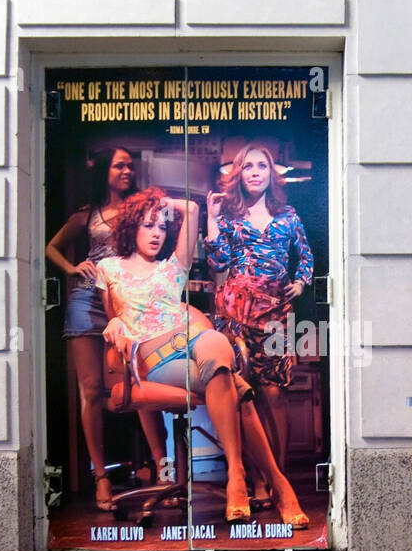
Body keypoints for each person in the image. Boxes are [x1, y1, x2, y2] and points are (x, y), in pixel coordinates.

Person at [97, 187, 309, 528]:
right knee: (238, 390)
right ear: (131, 227)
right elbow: (113, 315)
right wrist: (115, 321)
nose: (156, 233)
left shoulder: (172, 267)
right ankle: (272, 483)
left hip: (194, 340)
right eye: (147, 224)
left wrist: (157, 203)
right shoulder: (108, 268)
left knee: (211, 339)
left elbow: (193, 209)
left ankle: (238, 475)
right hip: (157, 356)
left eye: (162, 226)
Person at [45, 147, 163, 510]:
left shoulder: (139, 209)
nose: (127, 170)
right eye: (120, 165)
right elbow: (51, 247)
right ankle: (101, 477)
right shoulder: (87, 214)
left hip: (127, 299)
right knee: (92, 390)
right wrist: (70, 268)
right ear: (105, 171)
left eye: (130, 166)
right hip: (86, 300)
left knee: (141, 381)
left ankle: (163, 468)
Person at [205, 142, 314, 506]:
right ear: (239, 173)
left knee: (274, 396)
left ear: (271, 174)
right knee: (243, 397)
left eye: (262, 166)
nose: (255, 172)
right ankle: (255, 482)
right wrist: (210, 218)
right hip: (235, 314)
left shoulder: (288, 216)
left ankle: (276, 476)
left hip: (275, 317)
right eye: (248, 166)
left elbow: (306, 255)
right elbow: (218, 262)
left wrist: (300, 282)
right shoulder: (230, 218)